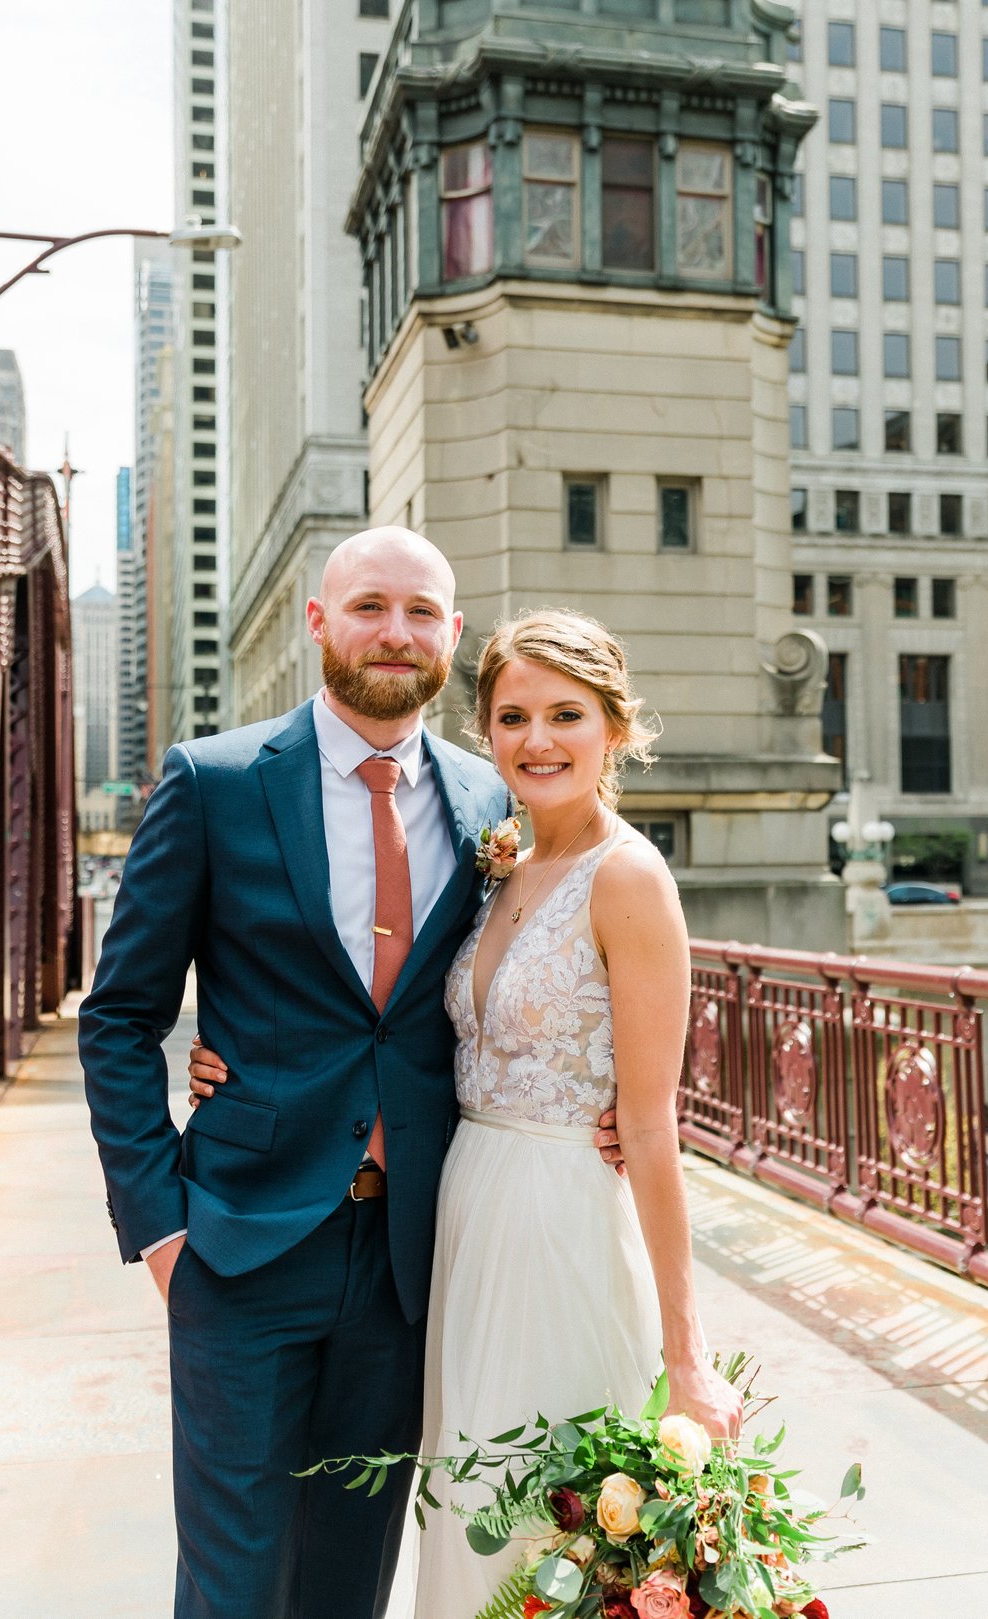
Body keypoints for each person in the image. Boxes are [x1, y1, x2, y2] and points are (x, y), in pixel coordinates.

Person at [79, 530, 622, 1618]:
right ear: (320, 622)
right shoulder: (216, 779)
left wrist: (616, 1103)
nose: (395, 630)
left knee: (350, 1570)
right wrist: (160, 1225)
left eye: (421, 611)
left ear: (450, 637)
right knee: (232, 1578)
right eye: (369, 604)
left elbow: (558, 962)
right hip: (237, 1241)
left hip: (413, 1258)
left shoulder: (491, 801)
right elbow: (120, 1015)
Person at [189, 607, 742, 1616]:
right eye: (512, 715)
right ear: (484, 733)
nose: (537, 740)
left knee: (556, 1524)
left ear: (615, 728)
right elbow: (386, 1017)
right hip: (458, 1225)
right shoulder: (497, 866)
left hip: (562, 1220)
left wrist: (686, 1354)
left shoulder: (629, 878)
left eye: (566, 714)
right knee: (470, 1521)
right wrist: (239, 1056)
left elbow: (653, 1127)